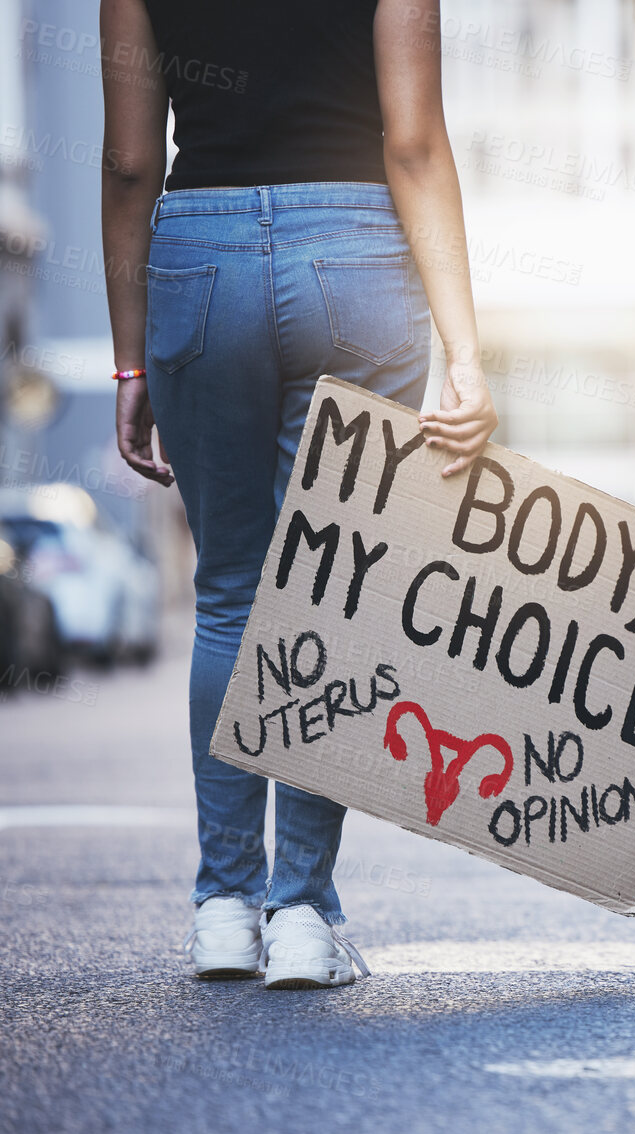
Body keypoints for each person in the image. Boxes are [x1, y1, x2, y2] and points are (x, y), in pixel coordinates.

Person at [100, 0, 496, 989]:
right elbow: (412, 141)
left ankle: (225, 910)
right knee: (332, 594)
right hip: (353, 253)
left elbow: (128, 165)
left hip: (199, 257)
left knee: (230, 594)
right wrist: (465, 349)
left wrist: (127, 360)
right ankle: (304, 914)